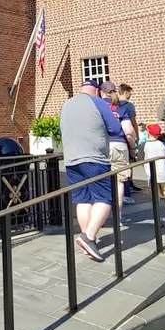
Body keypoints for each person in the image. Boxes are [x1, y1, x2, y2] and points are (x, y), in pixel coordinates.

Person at [60, 79, 124, 262]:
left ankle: (87, 236)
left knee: (83, 199)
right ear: (96, 90)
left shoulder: (66, 104)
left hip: (71, 159)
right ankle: (89, 237)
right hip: (94, 158)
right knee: (105, 197)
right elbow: (114, 127)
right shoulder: (97, 102)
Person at [101, 81, 136, 213]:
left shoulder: (97, 105)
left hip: (101, 145)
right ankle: (118, 214)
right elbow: (129, 132)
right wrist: (132, 148)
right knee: (119, 180)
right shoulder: (120, 106)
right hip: (118, 144)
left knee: (101, 179)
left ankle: (101, 213)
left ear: (101, 91)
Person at [143, 124, 165, 227]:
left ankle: (158, 218)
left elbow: (139, 159)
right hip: (164, 173)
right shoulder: (163, 145)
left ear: (148, 133)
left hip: (151, 175)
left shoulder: (144, 145)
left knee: (155, 197)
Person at [118, 84, 142, 193]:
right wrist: (136, 135)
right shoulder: (129, 105)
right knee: (130, 160)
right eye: (130, 92)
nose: (131, 94)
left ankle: (126, 184)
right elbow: (133, 122)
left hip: (118, 136)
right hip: (128, 136)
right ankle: (129, 183)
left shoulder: (115, 104)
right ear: (126, 92)